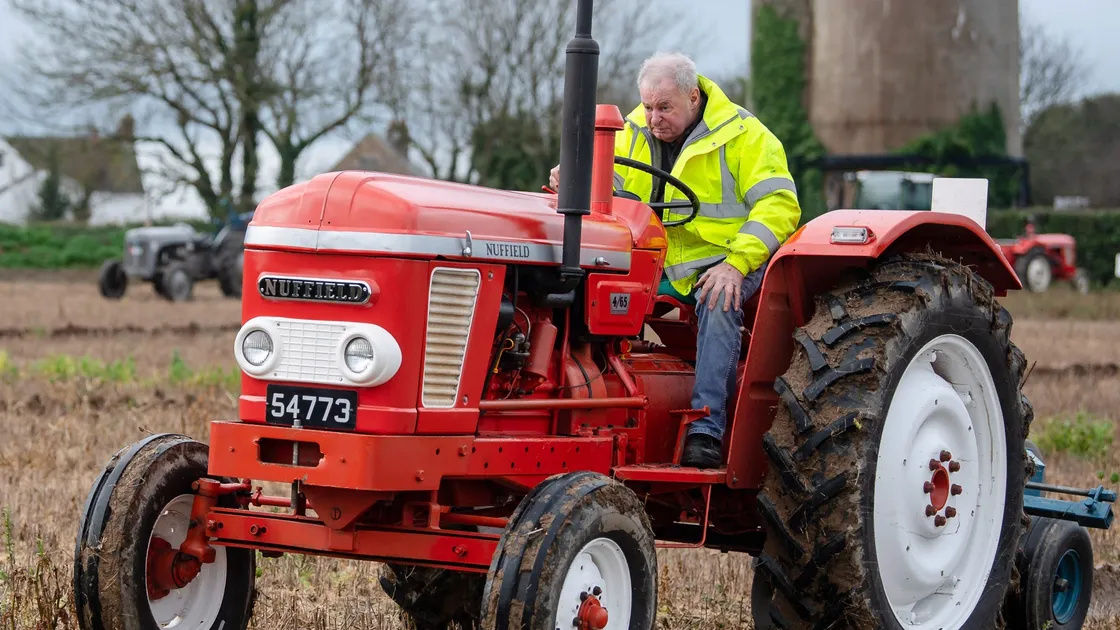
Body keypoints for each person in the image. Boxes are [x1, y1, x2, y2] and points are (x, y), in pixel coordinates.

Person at [549, 52, 801, 468]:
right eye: (648, 106)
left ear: (694, 96)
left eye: (664, 107)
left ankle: (706, 429)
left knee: (718, 299)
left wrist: (736, 264)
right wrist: (571, 177)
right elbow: (602, 189)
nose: (652, 118)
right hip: (662, 265)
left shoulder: (744, 136)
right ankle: (584, 405)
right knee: (582, 287)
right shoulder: (629, 131)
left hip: (730, 260)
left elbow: (780, 206)